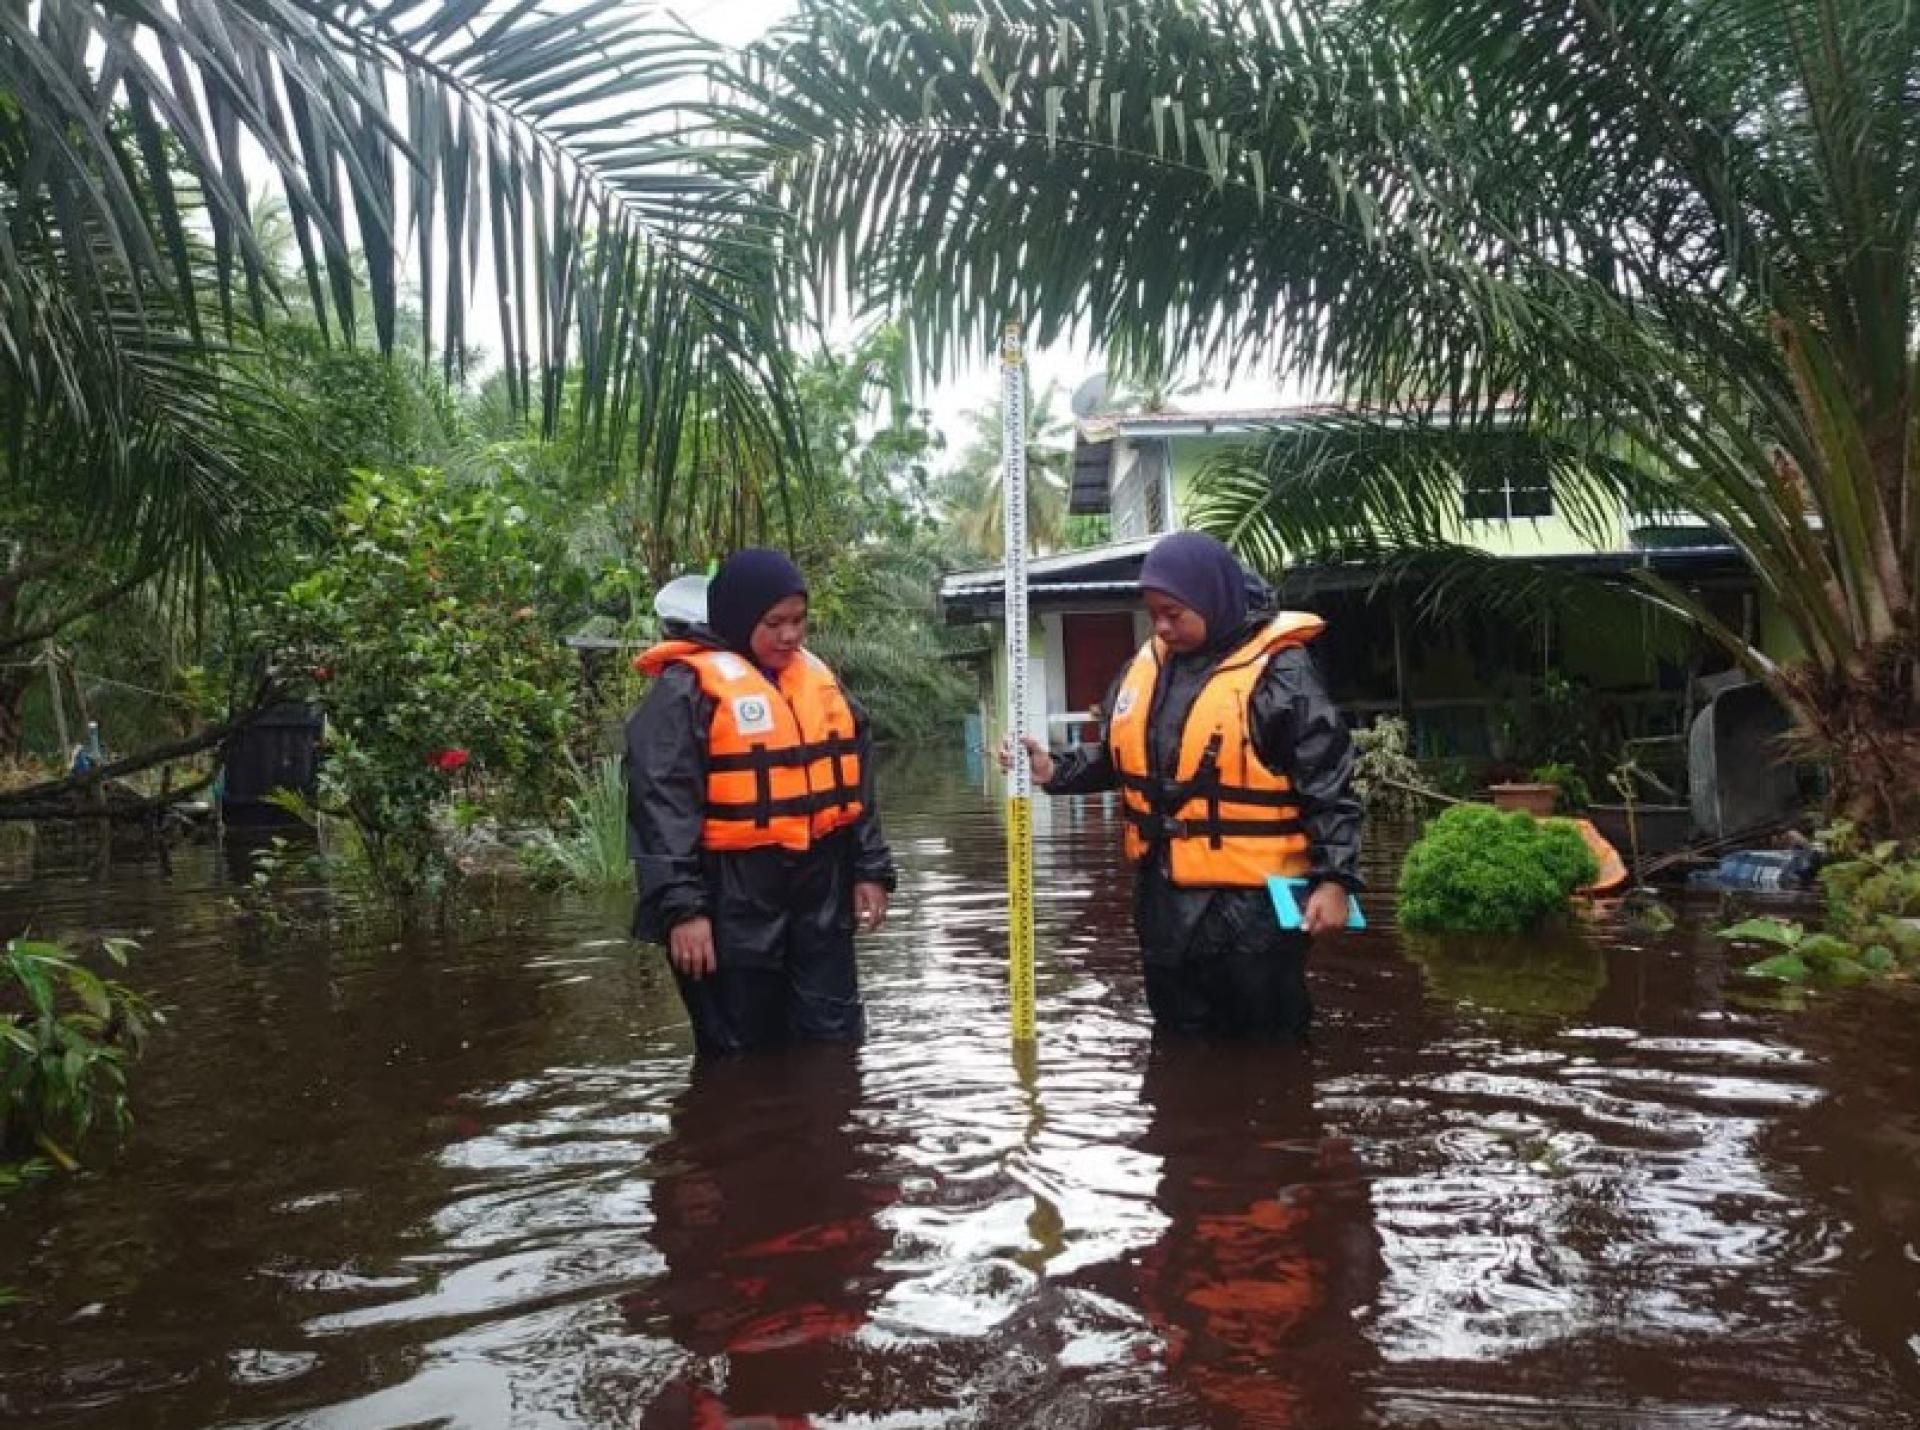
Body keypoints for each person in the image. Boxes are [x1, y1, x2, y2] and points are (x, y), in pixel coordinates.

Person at [1004, 531, 1361, 1039]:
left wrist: (1335, 880)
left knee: (1266, 1048)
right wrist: (1053, 770)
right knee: (1178, 1040)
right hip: (1164, 896)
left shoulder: (1281, 673)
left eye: (1175, 613)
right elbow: (1117, 756)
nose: (1163, 627)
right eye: (1154, 613)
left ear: (1212, 601)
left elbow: (1328, 783)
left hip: (1254, 907)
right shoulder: (1145, 667)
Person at [627, 548, 896, 1054]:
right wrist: (683, 910)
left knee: (835, 1044)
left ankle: (834, 1130)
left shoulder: (818, 680)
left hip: (820, 887)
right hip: (730, 897)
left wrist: (870, 869)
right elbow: (660, 807)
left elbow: (855, 781)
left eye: (799, 621)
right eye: (774, 623)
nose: (790, 636)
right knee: (741, 1058)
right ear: (739, 617)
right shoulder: (684, 692)